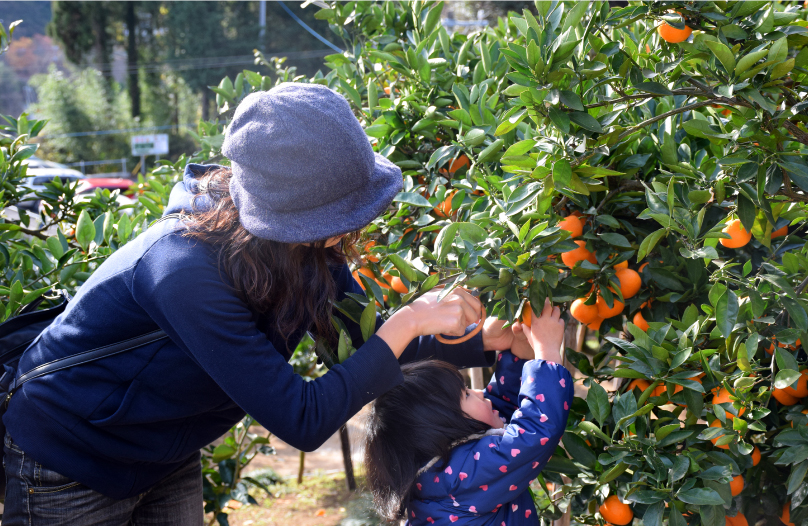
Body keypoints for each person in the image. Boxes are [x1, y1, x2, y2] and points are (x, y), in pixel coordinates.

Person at [2, 83, 519, 525]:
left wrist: (480, 341)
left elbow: (366, 346)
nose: (353, 226)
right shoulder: (180, 271)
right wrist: (409, 319)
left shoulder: (307, 250)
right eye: (341, 212)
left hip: (164, 453)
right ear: (292, 215)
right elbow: (302, 418)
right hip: (69, 458)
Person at [363, 299, 572, 525]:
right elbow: (534, 433)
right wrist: (547, 351)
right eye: (466, 394)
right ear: (446, 422)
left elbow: (500, 409)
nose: (479, 392)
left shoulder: (445, 467)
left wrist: (519, 352)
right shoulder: (463, 476)